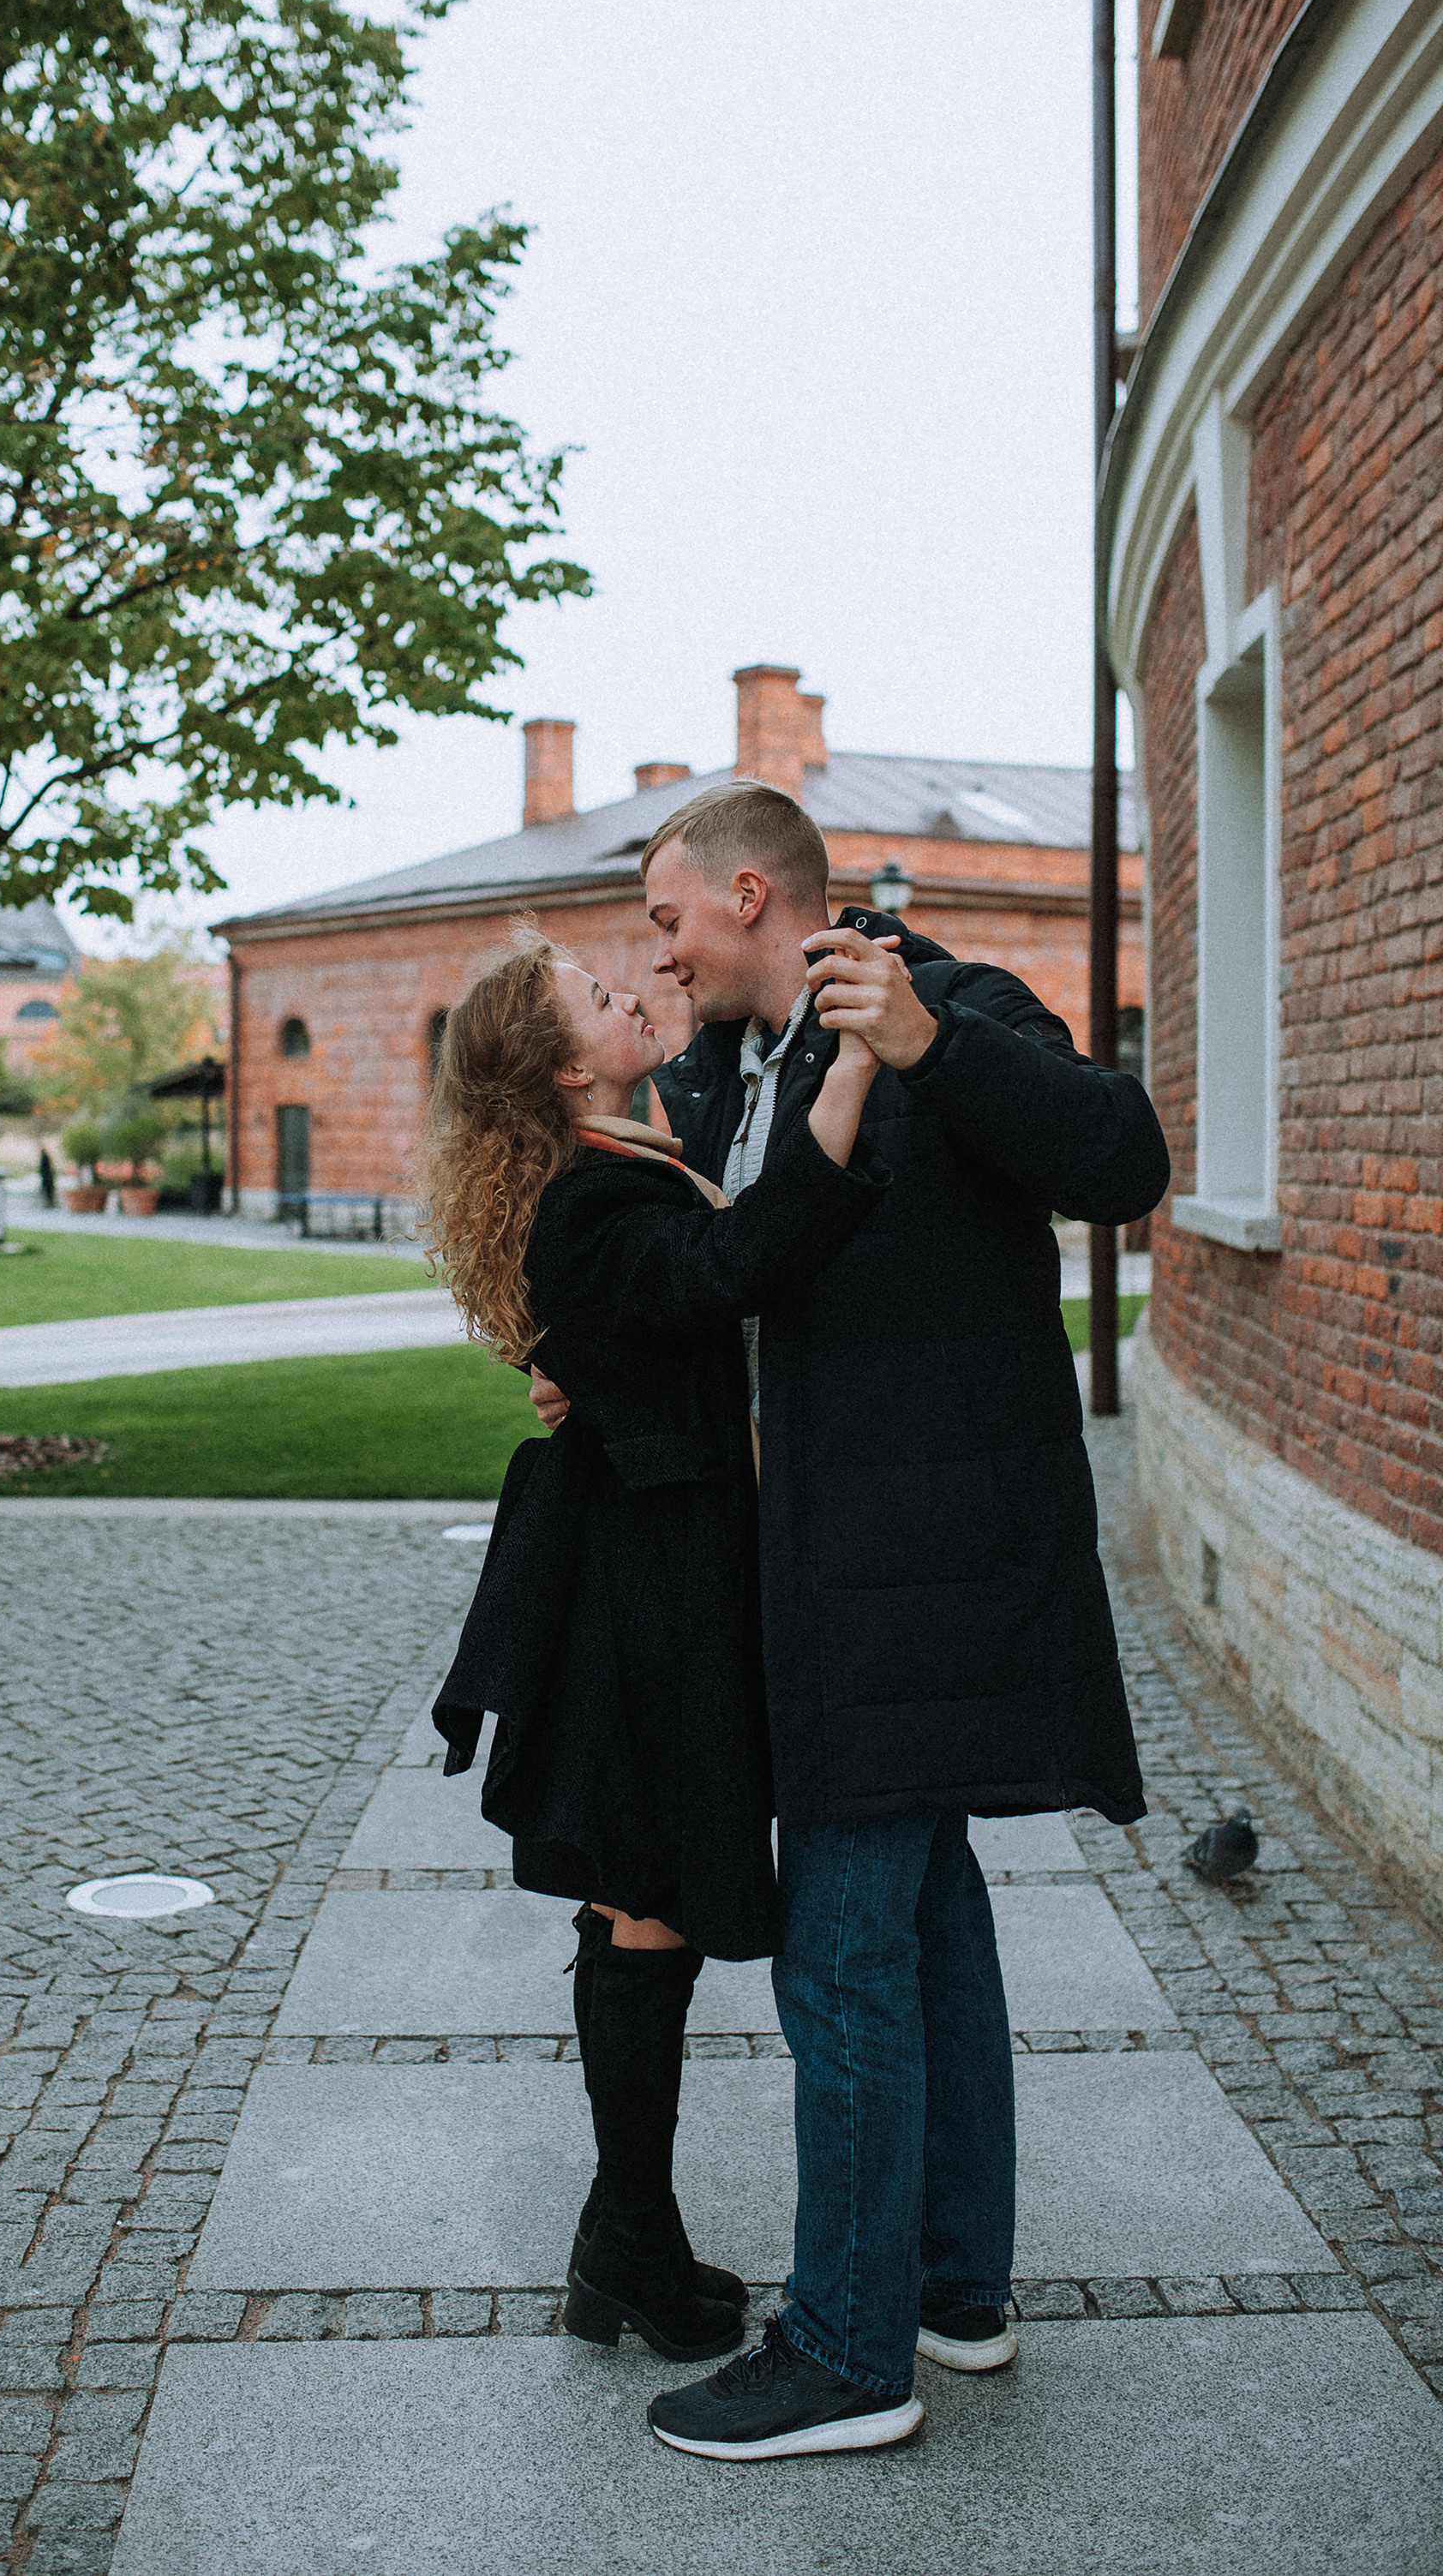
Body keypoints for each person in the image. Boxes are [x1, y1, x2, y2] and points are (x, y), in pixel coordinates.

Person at [531, 781, 1170, 2462]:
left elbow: (1123, 1158)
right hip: (839, 1572)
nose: (655, 951)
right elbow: (740, 1285)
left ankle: (843, 2345)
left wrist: (938, 1044)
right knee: (932, 1924)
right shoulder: (737, 1070)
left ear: (749, 893)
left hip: (918, 1578)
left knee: (844, 1954)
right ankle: (953, 2289)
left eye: (667, 918)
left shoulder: (935, 1002)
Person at [421, 932, 890, 2375]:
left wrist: (692, 1009)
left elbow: (676, 1204)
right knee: (644, 1900)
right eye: (601, 1000)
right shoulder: (588, 1201)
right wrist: (866, 1059)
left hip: (660, 1571)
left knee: (645, 1902)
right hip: (648, 1595)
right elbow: (742, 1259)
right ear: (566, 1067)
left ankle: (627, 2242)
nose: (635, 993)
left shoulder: (617, 1151)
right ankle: (627, 2244)